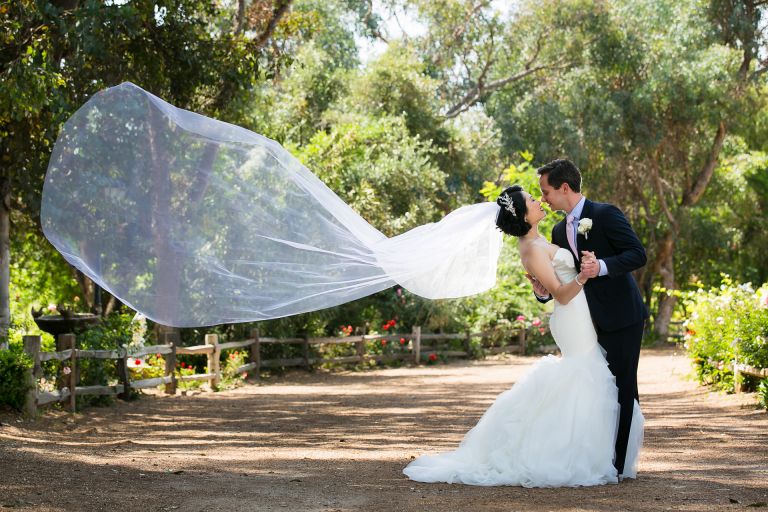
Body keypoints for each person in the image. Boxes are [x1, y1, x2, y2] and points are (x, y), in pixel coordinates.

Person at [403, 184, 643, 487]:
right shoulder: (530, 249)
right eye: (532, 199)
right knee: (584, 375)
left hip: (582, 312)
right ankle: (568, 455)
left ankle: (592, 452)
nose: (538, 199)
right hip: (572, 316)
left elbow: (549, 286)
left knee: (589, 376)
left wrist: (549, 287)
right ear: (523, 215)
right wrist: (583, 274)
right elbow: (561, 295)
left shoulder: (543, 238)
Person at [532, 159, 647, 478]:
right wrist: (542, 291)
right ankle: (598, 457)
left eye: (546, 192)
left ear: (564, 188)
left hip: (622, 316)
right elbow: (560, 280)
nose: (543, 199)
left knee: (623, 388)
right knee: (597, 388)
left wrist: (603, 267)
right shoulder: (556, 230)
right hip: (584, 323)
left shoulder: (606, 214)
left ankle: (620, 465)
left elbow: (637, 254)